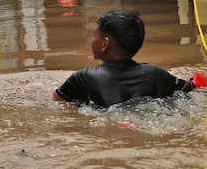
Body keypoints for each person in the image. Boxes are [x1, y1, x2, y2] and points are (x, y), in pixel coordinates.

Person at [53, 10, 198, 107]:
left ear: (105, 43)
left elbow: (57, 101)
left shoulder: (83, 77)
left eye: (94, 36)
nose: (92, 41)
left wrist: (36, 91)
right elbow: (190, 87)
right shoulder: (155, 74)